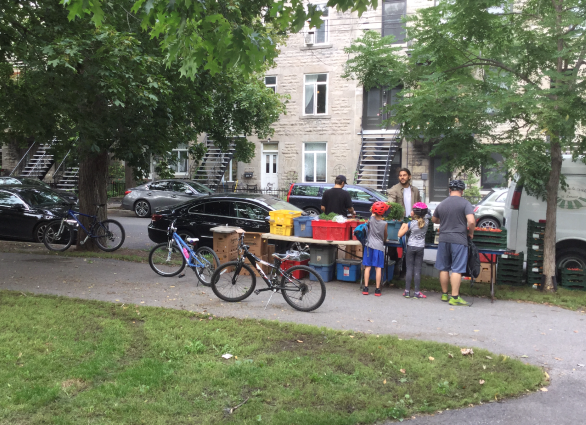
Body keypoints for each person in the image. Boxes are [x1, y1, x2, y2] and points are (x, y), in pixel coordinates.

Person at [431, 180, 476, 306]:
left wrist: (445, 220)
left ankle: (445, 294)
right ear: (462, 191)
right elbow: (471, 221)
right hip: (459, 239)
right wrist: (471, 232)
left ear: (449, 190)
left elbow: (434, 219)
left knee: (443, 268)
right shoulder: (465, 203)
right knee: (457, 268)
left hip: (444, 239)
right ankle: (454, 297)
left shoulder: (442, 204)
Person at [398, 202, 429, 299]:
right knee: (417, 270)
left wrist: (403, 226)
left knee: (409, 269)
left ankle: (407, 291)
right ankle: (416, 292)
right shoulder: (426, 222)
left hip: (411, 247)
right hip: (420, 248)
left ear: (414, 213)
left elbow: (400, 234)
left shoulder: (410, 224)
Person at [362, 201, 389, 297]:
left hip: (369, 246)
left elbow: (373, 213)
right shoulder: (385, 223)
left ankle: (365, 288)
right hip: (379, 247)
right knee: (378, 268)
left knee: (367, 267)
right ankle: (377, 289)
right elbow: (385, 236)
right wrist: (385, 239)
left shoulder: (371, 219)